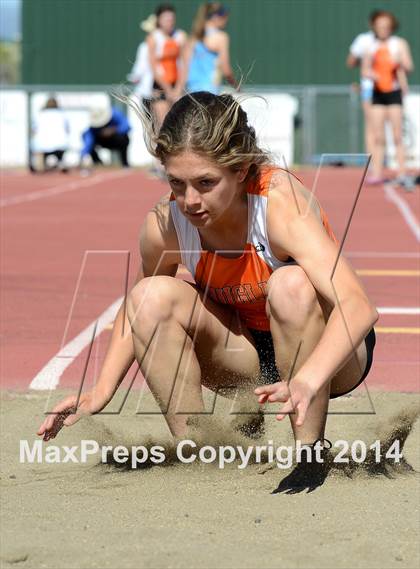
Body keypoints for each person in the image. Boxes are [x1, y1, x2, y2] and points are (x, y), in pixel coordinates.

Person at [38, 92, 378, 471]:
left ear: (242, 169)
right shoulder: (164, 224)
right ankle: (199, 451)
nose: (190, 200)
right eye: (176, 183)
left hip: (329, 357)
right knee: (149, 296)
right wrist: (100, 391)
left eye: (205, 182)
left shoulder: (279, 205)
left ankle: (309, 453)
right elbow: (136, 308)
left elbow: (358, 306)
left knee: (291, 286)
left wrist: (309, 378)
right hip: (246, 353)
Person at [361, 11, 414, 190]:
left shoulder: (399, 44)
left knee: (397, 134)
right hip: (378, 93)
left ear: (391, 27)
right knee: (377, 136)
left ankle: (402, 172)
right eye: (379, 26)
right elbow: (365, 70)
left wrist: (398, 62)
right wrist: (372, 75)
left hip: (394, 92)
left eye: (386, 26)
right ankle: (376, 172)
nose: (383, 29)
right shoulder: (371, 46)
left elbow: (409, 66)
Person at [147, 4, 187, 127]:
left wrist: (178, 88)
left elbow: (184, 64)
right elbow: (153, 66)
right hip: (160, 87)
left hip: (177, 86)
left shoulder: (180, 36)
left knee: (179, 125)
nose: (169, 22)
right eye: (166, 19)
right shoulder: (153, 38)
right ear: (159, 20)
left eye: (171, 19)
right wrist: (168, 89)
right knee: (163, 126)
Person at [186, 3, 238, 94]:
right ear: (215, 17)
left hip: (191, 92)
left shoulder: (193, 38)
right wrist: (237, 87)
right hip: (210, 93)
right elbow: (226, 70)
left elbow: (185, 68)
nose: (226, 20)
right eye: (224, 16)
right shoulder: (221, 37)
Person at [81, 103, 131, 169]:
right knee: (85, 136)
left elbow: (127, 126)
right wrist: (84, 155)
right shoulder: (93, 127)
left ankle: (125, 163)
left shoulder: (115, 114)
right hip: (102, 142)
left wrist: (113, 130)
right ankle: (98, 162)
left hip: (116, 139)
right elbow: (88, 139)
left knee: (124, 138)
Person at [30, 96, 69, 173]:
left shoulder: (40, 114)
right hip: (60, 143)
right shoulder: (62, 114)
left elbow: (34, 130)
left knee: (36, 145)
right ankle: (61, 162)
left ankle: (39, 164)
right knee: (60, 147)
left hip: (42, 144)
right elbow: (67, 130)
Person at [127, 14, 156, 111]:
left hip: (147, 91)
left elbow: (139, 70)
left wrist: (134, 77)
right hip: (159, 92)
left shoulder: (144, 47)